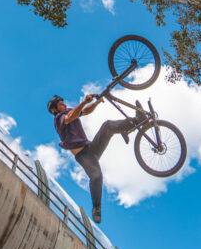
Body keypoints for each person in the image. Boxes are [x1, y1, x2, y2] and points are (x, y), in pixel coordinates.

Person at [48, 93, 144, 224]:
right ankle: (96, 208)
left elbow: (85, 111)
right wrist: (84, 102)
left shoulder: (69, 111)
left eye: (63, 103)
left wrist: (96, 103)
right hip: (83, 156)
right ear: (55, 110)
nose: (64, 105)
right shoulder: (58, 118)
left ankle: (137, 120)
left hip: (92, 148)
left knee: (108, 126)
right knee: (96, 176)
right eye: (61, 105)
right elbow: (70, 117)